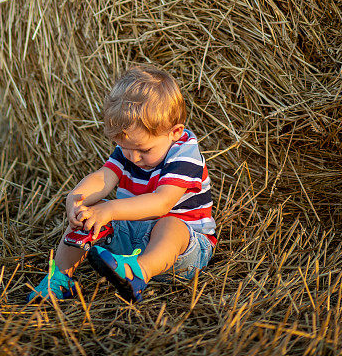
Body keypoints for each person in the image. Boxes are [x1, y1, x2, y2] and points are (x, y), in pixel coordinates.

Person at [26, 64, 217, 304]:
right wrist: (78, 197)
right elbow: (105, 177)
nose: (133, 158)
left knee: (170, 224)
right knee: (90, 214)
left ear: (175, 131)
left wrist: (111, 209)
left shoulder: (184, 153)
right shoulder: (130, 150)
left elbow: (162, 203)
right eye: (125, 148)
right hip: (133, 237)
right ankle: (59, 279)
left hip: (183, 250)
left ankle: (138, 273)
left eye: (143, 150)